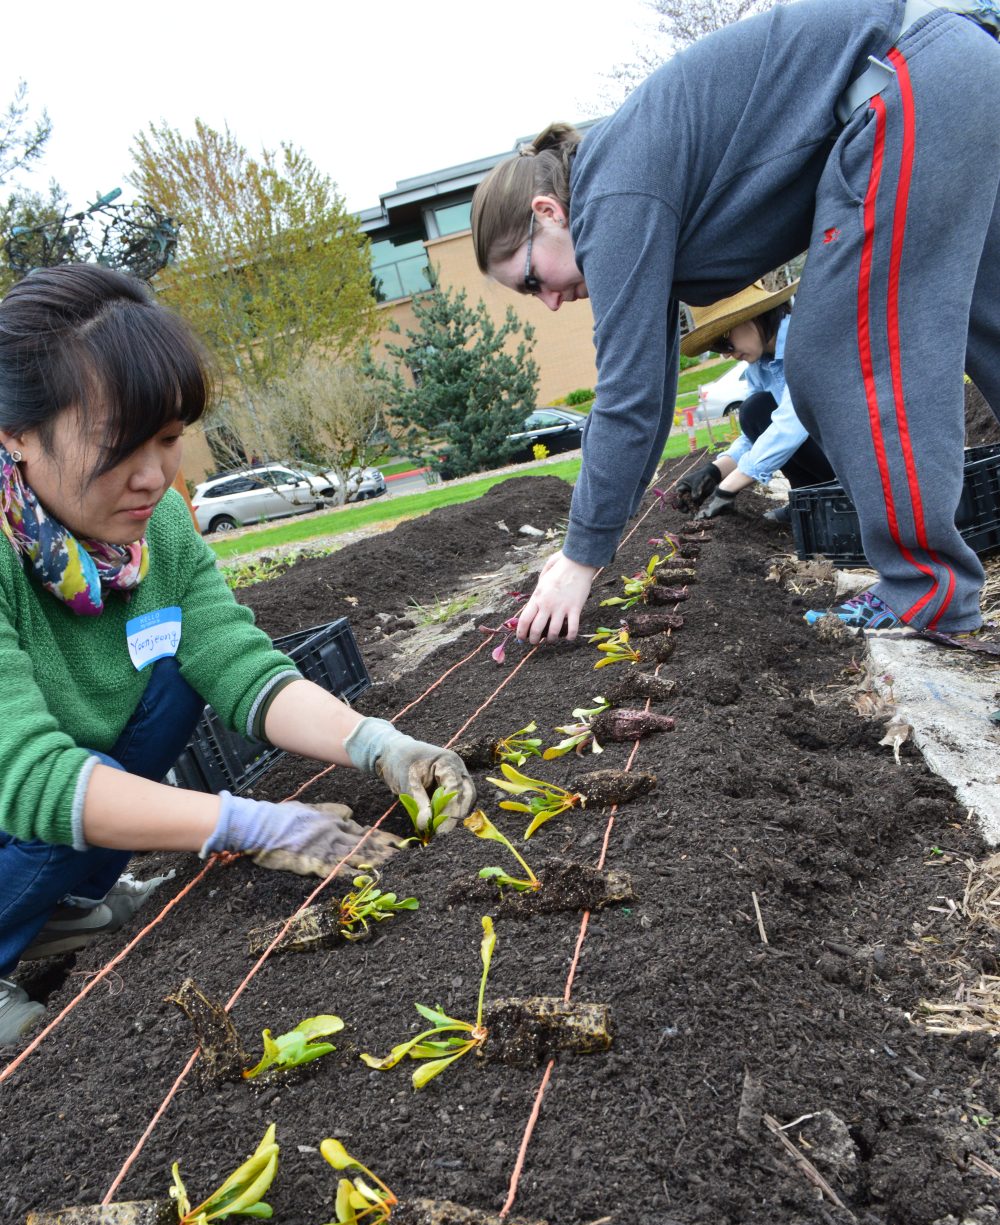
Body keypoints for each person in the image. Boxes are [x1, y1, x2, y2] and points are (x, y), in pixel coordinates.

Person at [0, 265, 476, 1044]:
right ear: (16, 433)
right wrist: (254, 824)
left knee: (176, 677)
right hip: (10, 790)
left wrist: (377, 743)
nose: (155, 476)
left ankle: (55, 908)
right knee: (61, 781)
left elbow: (235, 659)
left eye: (169, 438)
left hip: (45, 801)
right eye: (120, 444)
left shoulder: (159, 530)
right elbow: (28, 777)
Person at [471, 0, 1000, 642]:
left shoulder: (611, 199)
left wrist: (579, 559)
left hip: (907, 81)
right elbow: (653, 393)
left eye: (532, 280)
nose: (549, 301)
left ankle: (928, 595)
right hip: (950, 64)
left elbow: (626, 397)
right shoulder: (625, 183)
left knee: (838, 355)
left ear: (549, 211)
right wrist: (596, 539)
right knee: (987, 320)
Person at [672, 282, 836, 524]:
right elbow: (756, 434)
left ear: (752, 316)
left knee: (756, 409)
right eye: (716, 347)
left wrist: (729, 487)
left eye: (723, 340)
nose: (725, 353)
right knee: (756, 412)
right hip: (827, 453)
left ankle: (825, 499)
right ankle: (809, 501)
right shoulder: (758, 368)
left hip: (859, 457)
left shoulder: (803, 342)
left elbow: (793, 422)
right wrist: (714, 472)